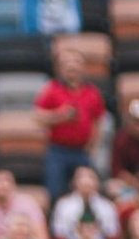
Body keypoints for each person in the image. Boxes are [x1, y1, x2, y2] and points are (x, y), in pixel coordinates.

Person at [35, 50, 105, 199]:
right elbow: (38, 117)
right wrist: (60, 116)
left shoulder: (92, 92)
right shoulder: (52, 89)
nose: (71, 66)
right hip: (58, 151)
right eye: (67, 64)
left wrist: (94, 147)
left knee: (90, 191)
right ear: (60, 68)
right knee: (55, 192)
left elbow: (98, 122)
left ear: (83, 68)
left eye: (76, 63)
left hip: (82, 151)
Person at [50, 166, 119, 239]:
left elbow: (112, 237)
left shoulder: (108, 207)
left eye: (90, 177)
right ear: (73, 182)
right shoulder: (63, 205)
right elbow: (59, 237)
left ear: (98, 182)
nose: (86, 182)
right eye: (81, 177)